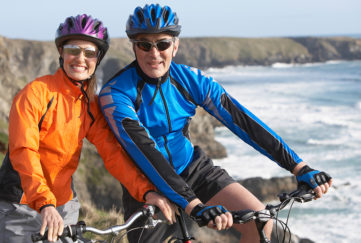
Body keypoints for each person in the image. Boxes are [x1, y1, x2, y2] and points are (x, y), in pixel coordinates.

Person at [99, 4, 333, 243]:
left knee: (264, 225)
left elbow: (243, 122)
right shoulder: (116, 94)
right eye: (144, 45)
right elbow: (146, 152)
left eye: (162, 44)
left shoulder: (190, 80)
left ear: (175, 46)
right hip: (147, 185)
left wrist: (300, 167)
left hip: (194, 170)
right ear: (134, 47)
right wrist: (193, 205)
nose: (154, 53)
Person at [0, 14, 175, 243]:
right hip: (20, 205)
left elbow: (112, 153)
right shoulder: (35, 94)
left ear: (97, 58)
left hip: (63, 207)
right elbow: (24, 151)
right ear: (61, 53)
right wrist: (45, 202)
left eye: (90, 53)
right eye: (73, 50)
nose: (80, 58)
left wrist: (146, 191)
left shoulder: (89, 104)